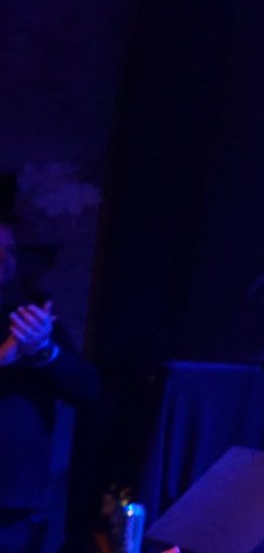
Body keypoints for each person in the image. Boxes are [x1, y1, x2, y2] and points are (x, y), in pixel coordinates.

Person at [0, 218, 100, 553]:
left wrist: (44, 351)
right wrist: (4, 357)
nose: (4, 258)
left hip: (14, 504)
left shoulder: (26, 319)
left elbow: (88, 389)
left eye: (10, 250)